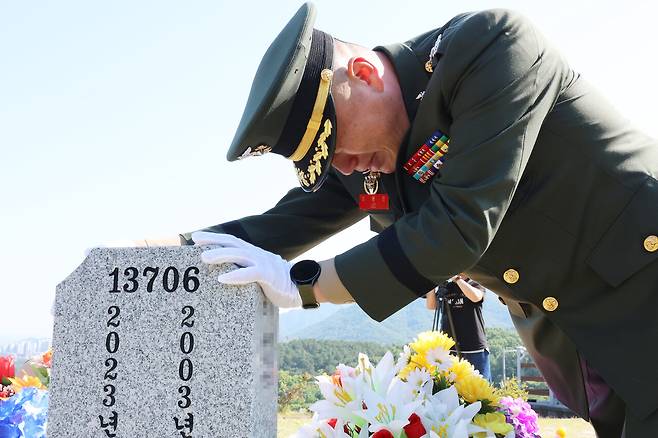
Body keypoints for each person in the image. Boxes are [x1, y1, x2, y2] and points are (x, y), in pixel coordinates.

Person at [141, 3, 658, 436]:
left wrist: (304, 286)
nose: (343, 169)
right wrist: (141, 255)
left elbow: (460, 225)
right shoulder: (366, 158)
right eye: (325, 163)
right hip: (585, 352)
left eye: (336, 147)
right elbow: (270, 233)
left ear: (363, 74)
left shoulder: (488, 48)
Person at [427, 275, 491, 381]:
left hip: (474, 347)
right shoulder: (447, 287)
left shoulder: (475, 283)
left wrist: (457, 279)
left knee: (480, 387)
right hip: (450, 348)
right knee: (453, 388)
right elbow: (431, 306)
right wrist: (431, 286)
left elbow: (476, 297)